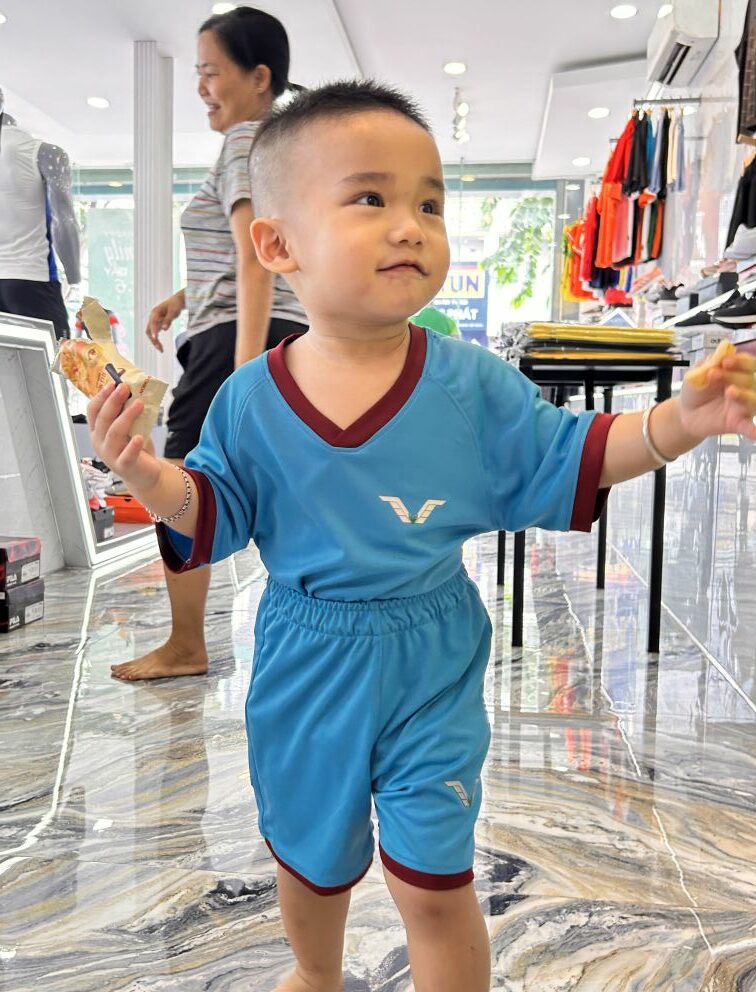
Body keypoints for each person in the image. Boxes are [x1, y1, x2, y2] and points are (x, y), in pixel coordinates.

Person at [88, 81, 756, 991]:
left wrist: (679, 420)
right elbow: (211, 507)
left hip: (431, 657)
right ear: (277, 245)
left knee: (436, 881)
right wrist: (144, 474)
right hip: (305, 661)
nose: (410, 226)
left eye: (430, 205)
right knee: (309, 864)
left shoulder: (470, 385)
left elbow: (579, 452)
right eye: (371, 198)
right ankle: (315, 974)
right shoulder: (249, 400)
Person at [111, 6, 307, 682]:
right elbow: (256, 251)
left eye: (210, 72)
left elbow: (255, 257)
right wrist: (184, 296)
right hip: (265, 327)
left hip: (236, 339)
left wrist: (246, 367)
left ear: (259, 77)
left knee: (179, 481)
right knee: (283, 478)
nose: (201, 86)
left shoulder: (245, 141)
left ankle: (186, 643)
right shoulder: (276, 146)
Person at [0, 87, 80, 340]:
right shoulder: (42, 152)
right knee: (58, 359)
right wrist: (74, 277)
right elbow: (63, 220)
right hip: (32, 278)